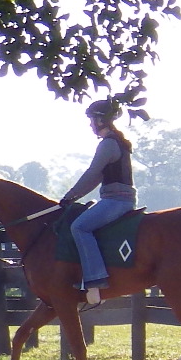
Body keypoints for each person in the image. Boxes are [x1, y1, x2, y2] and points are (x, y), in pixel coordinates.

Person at [58, 98, 136, 307]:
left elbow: (92, 173)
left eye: (93, 119)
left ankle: (95, 280)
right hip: (117, 198)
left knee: (80, 227)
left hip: (117, 200)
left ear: (102, 120)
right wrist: (73, 196)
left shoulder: (109, 144)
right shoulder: (115, 142)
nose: (91, 123)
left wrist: (70, 196)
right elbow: (96, 178)